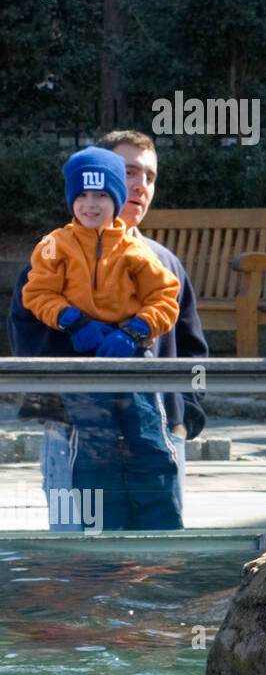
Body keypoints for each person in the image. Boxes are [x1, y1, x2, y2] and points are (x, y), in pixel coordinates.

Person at [7, 131, 209, 531]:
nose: (140, 184)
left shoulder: (160, 260)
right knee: (77, 550)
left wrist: (189, 410)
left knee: (155, 557)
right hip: (71, 433)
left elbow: (192, 347)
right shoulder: (51, 254)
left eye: (149, 176)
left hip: (155, 428)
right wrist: (79, 337)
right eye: (129, 171)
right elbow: (25, 328)